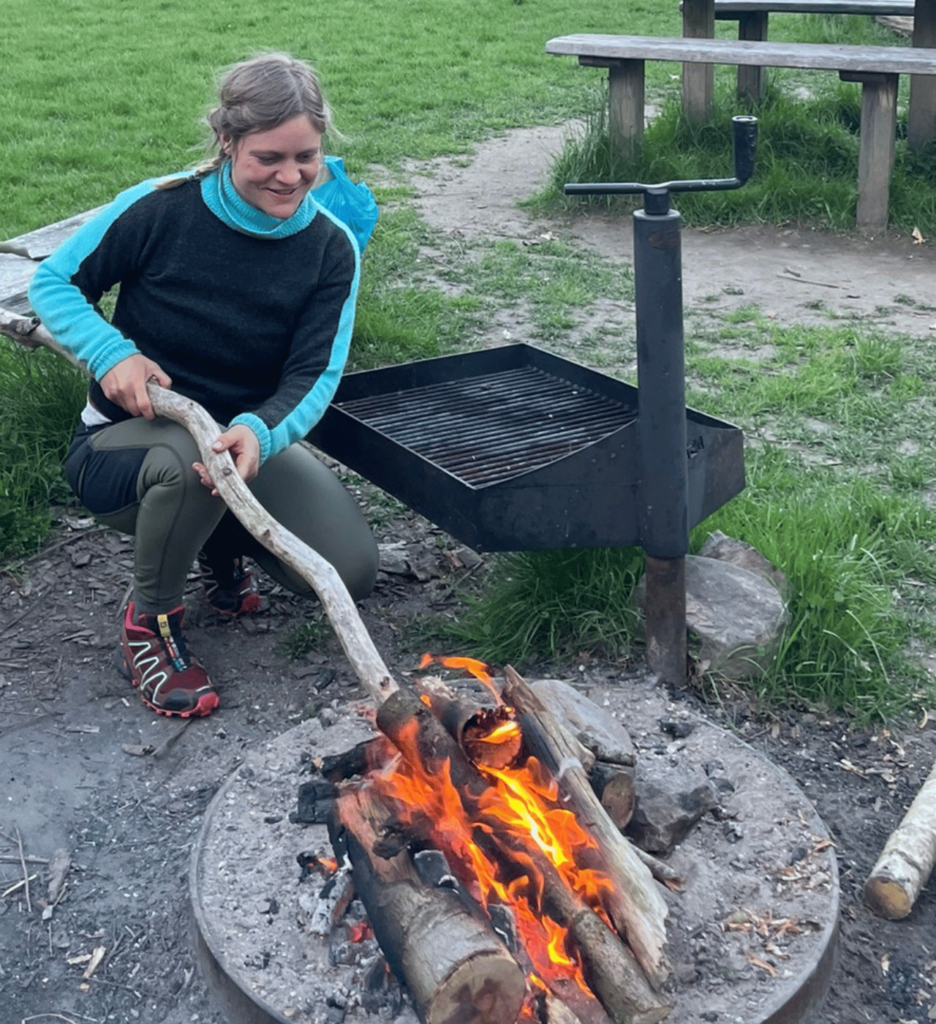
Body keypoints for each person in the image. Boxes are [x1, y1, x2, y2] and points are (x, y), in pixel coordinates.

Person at [28, 52, 379, 719]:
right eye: (268, 157)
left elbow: (314, 372)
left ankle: (219, 547)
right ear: (227, 141)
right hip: (127, 448)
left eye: (306, 156)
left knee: (350, 568)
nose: (291, 176)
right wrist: (110, 352)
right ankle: (150, 626)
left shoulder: (331, 247)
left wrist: (262, 430)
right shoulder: (162, 210)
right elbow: (54, 281)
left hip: (241, 443)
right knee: (192, 468)